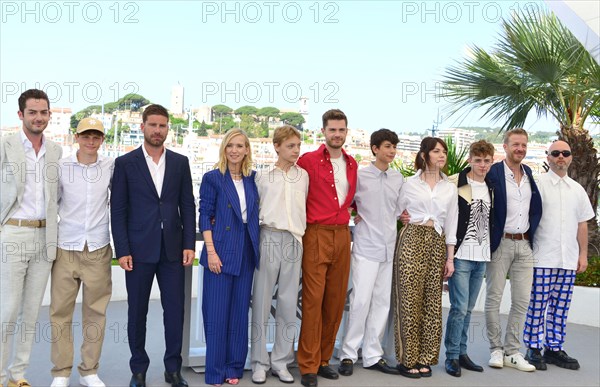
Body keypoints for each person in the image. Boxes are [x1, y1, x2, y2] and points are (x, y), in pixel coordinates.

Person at [111, 104, 195, 387]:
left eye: (163, 125)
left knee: (175, 312)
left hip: (172, 250)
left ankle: (173, 369)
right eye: (153, 125)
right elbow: (118, 210)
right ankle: (139, 370)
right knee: (137, 313)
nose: (158, 130)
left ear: (168, 128)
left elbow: (188, 205)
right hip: (137, 251)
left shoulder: (181, 162)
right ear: (143, 126)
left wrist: (188, 244)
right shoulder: (125, 164)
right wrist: (122, 249)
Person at [1, 89, 63, 387]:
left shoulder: (55, 151)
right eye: (32, 112)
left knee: (30, 312)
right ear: (21, 115)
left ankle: (18, 375)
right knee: (7, 311)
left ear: (49, 115)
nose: (38, 117)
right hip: (13, 232)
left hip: (44, 236)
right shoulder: (6, 145)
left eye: (43, 112)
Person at [50, 118, 114, 387]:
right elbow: (51, 203)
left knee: (95, 313)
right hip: (66, 247)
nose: (91, 141)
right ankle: (61, 373)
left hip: (98, 249)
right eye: (86, 136)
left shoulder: (111, 166)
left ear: (102, 139)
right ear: (76, 137)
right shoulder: (61, 167)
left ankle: (89, 371)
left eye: (96, 136)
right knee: (60, 313)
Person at [296, 109, 357, 387]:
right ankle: (307, 364)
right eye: (332, 129)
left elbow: (352, 199)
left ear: (346, 132)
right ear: (323, 131)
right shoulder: (308, 161)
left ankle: (323, 359)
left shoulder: (352, 164)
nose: (337, 134)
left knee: (334, 301)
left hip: (343, 236)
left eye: (341, 130)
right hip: (316, 234)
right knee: (312, 301)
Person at [523, 140, 594, 371]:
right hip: (543, 257)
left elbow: (582, 225)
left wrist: (583, 255)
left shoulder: (578, 189)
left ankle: (554, 347)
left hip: (568, 259)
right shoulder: (538, 185)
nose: (561, 157)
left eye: (565, 153)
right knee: (537, 305)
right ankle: (533, 347)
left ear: (571, 157)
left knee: (561, 307)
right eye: (556, 153)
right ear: (548, 157)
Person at [337, 129, 403, 377]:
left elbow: (400, 209)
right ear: (375, 148)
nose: (392, 151)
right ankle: (348, 354)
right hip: (365, 246)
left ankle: (373, 355)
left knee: (381, 303)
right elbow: (345, 200)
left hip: (389, 247)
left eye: (394, 147)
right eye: (387, 146)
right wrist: (354, 213)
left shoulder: (398, 179)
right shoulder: (361, 176)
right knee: (360, 301)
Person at [199, 129, 260, 386]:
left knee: (237, 315)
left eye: (240, 146)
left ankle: (234, 367)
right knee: (216, 314)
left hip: (246, 250)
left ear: (247, 150)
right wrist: (211, 252)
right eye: (230, 146)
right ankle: (214, 371)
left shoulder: (253, 179)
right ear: (224, 149)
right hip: (221, 252)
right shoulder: (213, 178)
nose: (235, 150)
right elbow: (205, 215)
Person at [393, 137, 457, 379]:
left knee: (432, 302)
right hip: (411, 239)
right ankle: (406, 359)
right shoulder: (408, 183)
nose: (442, 155)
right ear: (425, 155)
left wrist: (449, 259)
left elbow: (451, 224)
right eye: (437, 151)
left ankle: (425, 357)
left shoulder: (449, 188)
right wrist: (403, 217)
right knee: (409, 301)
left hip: (437, 242)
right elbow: (397, 211)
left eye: (444, 152)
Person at [250, 126, 309, 385]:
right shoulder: (262, 177)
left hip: (295, 240)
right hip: (269, 238)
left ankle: (281, 361)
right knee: (262, 303)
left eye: (298, 146)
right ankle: (259, 363)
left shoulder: (304, 176)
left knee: (287, 305)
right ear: (277, 146)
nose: (296, 150)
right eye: (290, 146)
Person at [484, 128, 542, 372]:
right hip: (501, 243)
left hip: (524, 244)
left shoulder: (528, 173)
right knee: (494, 298)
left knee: (521, 301)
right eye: (516, 144)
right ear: (505, 147)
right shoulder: (494, 173)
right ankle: (496, 349)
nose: (520, 149)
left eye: (524, 145)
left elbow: (535, 207)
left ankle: (513, 351)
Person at [443, 140, 495, 377]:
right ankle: (452, 355)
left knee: (469, 308)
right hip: (461, 255)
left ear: (491, 161)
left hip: (482, 256)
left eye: (486, 161)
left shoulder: (492, 187)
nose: (482, 165)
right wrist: (449, 256)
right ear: (470, 160)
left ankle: (462, 353)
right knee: (459, 307)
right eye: (478, 160)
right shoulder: (456, 183)